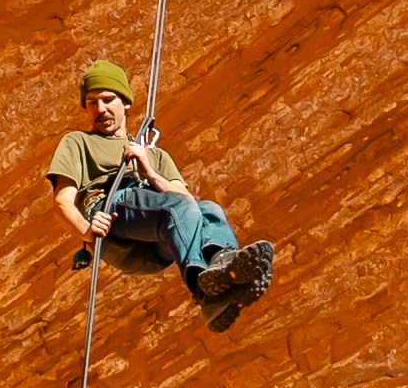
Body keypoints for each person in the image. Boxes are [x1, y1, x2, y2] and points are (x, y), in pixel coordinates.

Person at [46, 56, 275, 330]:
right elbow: (62, 201)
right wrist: (86, 230)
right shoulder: (78, 142)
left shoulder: (155, 155)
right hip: (112, 209)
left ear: (126, 102)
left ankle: (220, 275)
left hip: (158, 241)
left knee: (209, 209)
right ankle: (204, 288)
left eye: (108, 100)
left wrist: (149, 170)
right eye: (92, 102)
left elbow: (186, 201)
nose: (100, 109)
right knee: (175, 208)